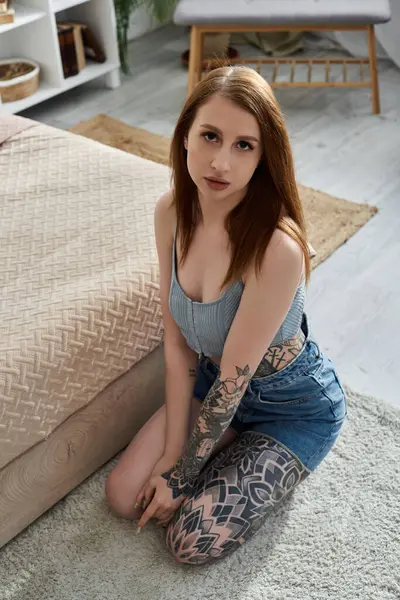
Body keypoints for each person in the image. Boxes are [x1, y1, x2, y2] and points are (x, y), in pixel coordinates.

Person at [105, 65, 347, 565]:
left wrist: (182, 477)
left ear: (264, 156)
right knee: (123, 496)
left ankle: (253, 455)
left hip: (291, 406)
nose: (220, 161)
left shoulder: (276, 248)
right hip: (214, 382)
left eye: (244, 145)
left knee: (188, 540)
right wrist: (174, 457)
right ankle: (219, 452)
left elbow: (234, 385)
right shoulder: (171, 211)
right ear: (185, 135)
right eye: (210, 136)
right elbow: (177, 346)